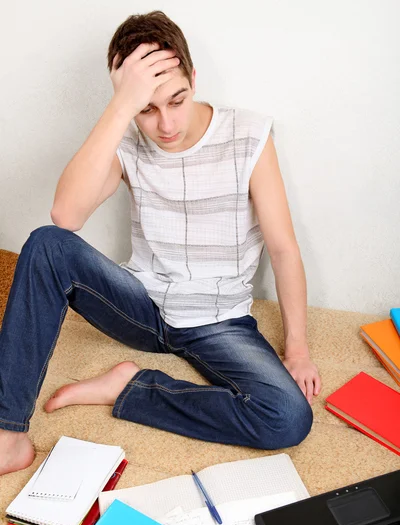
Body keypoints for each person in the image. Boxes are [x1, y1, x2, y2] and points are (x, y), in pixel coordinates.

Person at [0, 11, 321, 476]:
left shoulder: (248, 134)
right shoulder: (125, 137)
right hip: (142, 308)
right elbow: (65, 217)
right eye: (147, 108)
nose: (166, 124)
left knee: (288, 417)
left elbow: (284, 249)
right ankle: (9, 435)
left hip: (218, 320)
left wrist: (299, 349)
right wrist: (120, 108)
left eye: (177, 100)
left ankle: (129, 387)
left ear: (193, 78)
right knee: (47, 244)